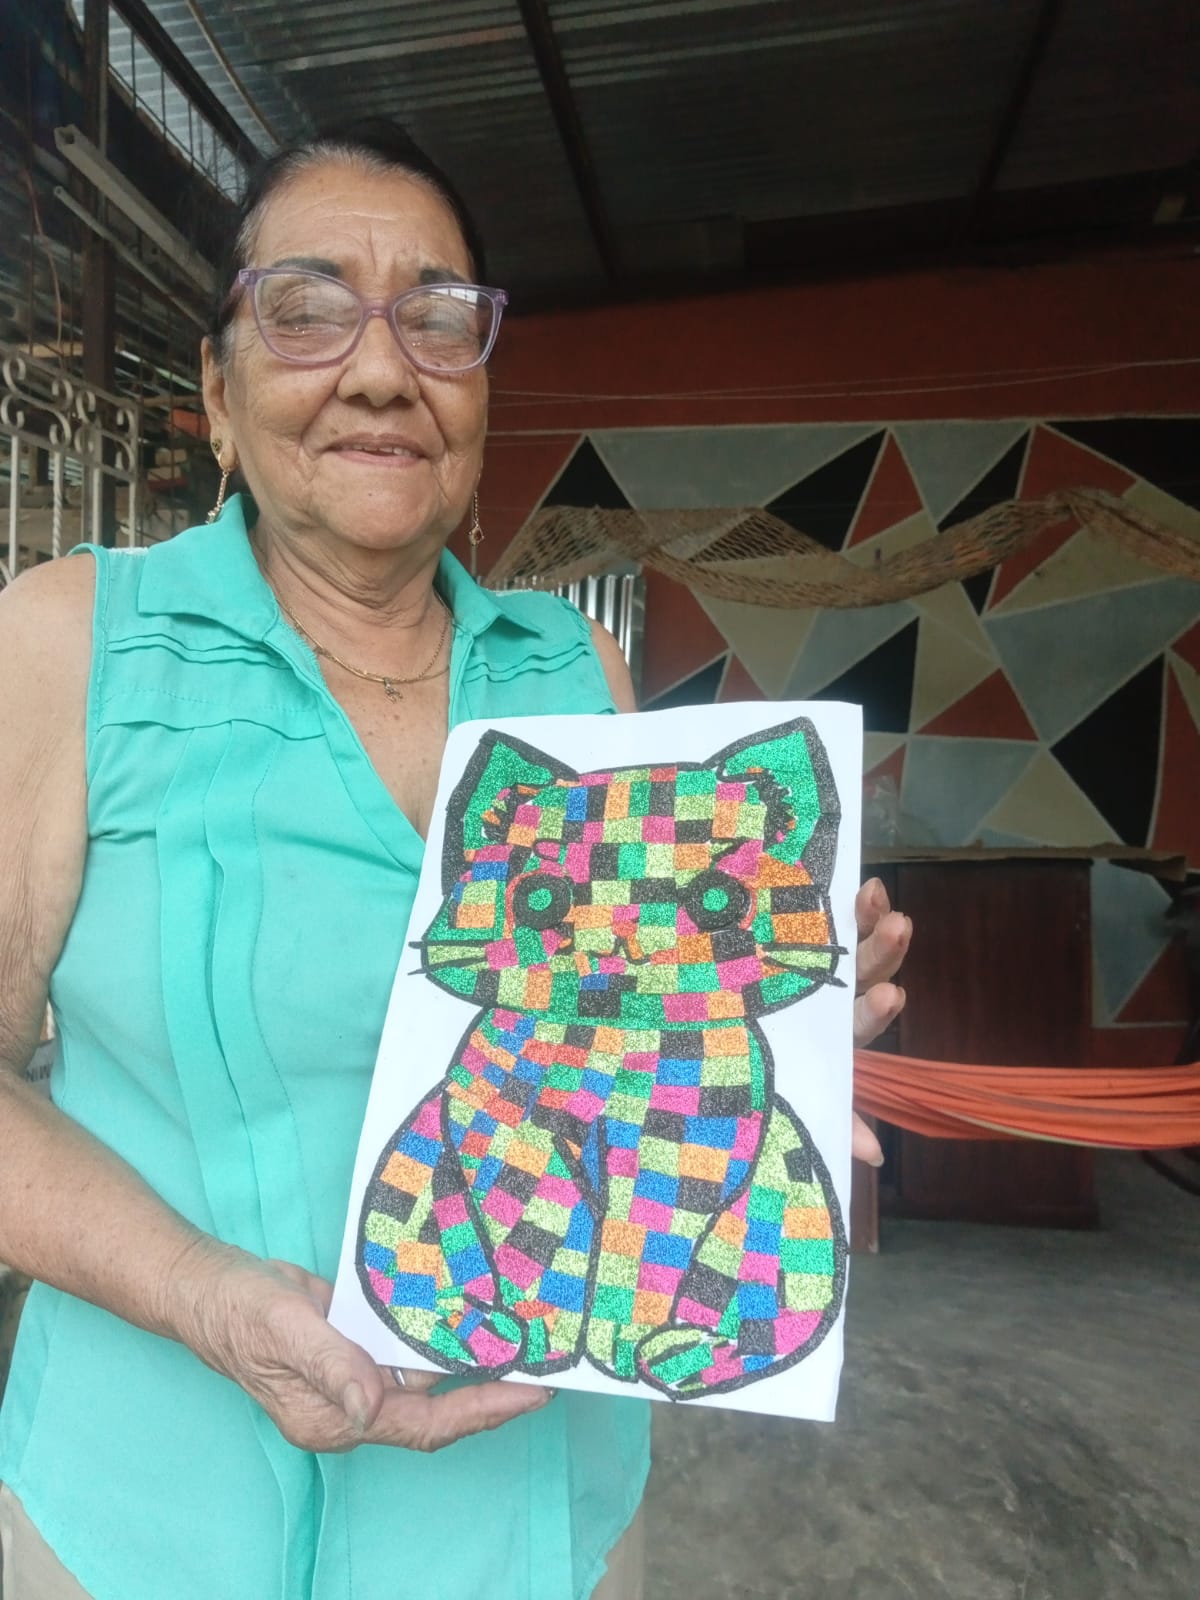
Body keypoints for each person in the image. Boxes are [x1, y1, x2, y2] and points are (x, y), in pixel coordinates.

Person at [0, 121, 911, 1600]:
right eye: (307, 310)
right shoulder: (67, 644)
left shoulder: (574, 673)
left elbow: (633, 1029)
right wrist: (201, 1296)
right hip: (153, 1520)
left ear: (480, 390)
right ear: (218, 395)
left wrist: (786, 1018)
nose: (381, 370)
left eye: (436, 318)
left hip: (535, 1523)